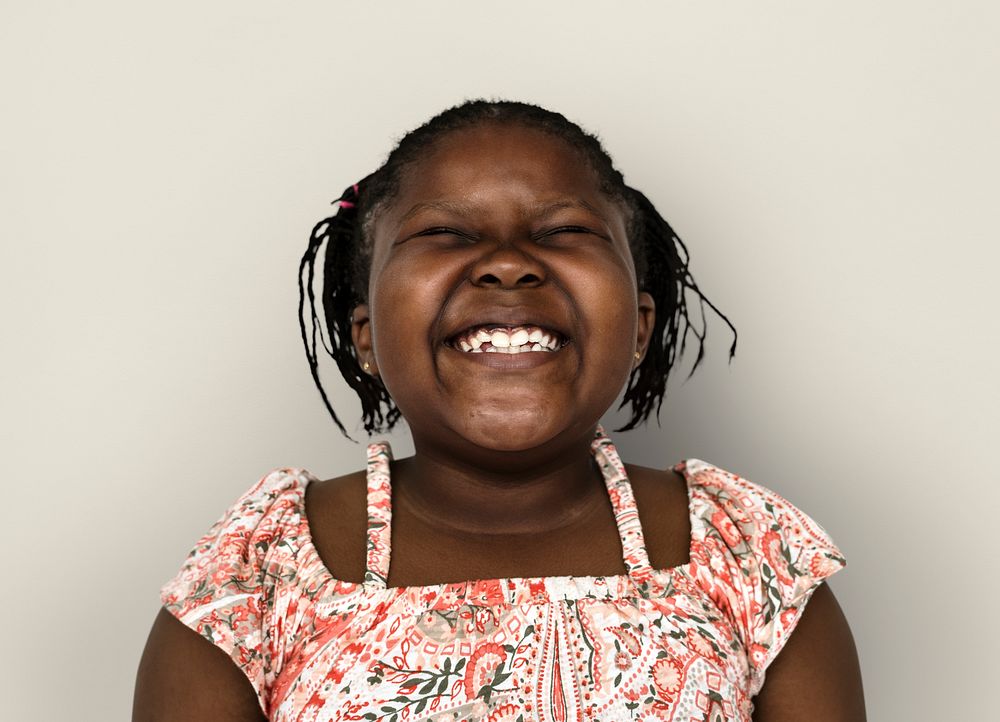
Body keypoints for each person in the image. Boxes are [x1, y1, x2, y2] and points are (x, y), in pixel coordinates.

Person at [133, 100, 865, 721]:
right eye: (446, 234)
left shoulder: (748, 558)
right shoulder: (255, 580)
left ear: (640, 326)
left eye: (562, 232)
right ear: (366, 339)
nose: (508, 263)